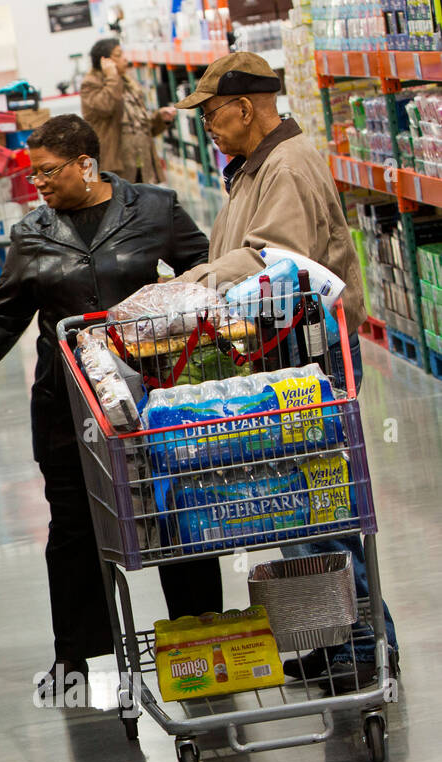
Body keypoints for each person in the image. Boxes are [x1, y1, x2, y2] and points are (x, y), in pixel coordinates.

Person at [0, 115, 222, 695]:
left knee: (178, 514)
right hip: (68, 405)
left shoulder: (155, 208)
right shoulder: (31, 232)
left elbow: (206, 272)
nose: (39, 185)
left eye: (49, 171)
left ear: (86, 164)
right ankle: (76, 661)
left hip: (155, 400)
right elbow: (4, 314)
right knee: (74, 529)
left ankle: (202, 641)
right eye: (33, 174)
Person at [172, 51, 399, 690]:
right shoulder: (256, 166)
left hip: (309, 360)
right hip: (283, 357)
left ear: (246, 107)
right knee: (300, 509)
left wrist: (192, 284)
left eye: (212, 114)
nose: (207, 127)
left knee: (312, 507)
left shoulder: (287, 166)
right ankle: (340, 639)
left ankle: (359, 643)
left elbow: (277, 262)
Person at [80, 38, 177, 184]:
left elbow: (140, 127)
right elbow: (106, 106)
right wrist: (111, 76)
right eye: (118, 55)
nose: (125, 59)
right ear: (104, 61)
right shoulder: (91, 84)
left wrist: (160, 119)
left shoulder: (129, 84)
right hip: (115, 170)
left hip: (142, 168)